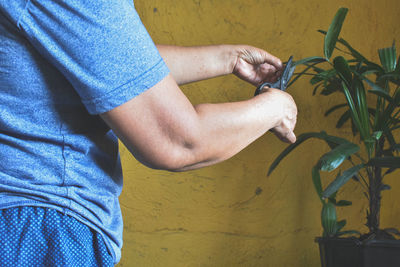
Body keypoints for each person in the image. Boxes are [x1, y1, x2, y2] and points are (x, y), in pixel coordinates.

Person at [0, 1, 297, 266]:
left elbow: (112, 63)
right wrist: (274, 108)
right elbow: (180, 141)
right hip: (42, 229)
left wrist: (227, 59)